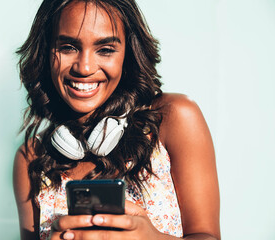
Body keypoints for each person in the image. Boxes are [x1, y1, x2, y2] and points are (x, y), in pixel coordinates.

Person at [13, 0, 220, 239]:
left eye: (106, 49)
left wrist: (150, 238)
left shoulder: (175, 117)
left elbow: (208, 235)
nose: (85, 67)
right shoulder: (31, 158)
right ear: (46, 51)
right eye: (68, 47)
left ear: (128, 54)